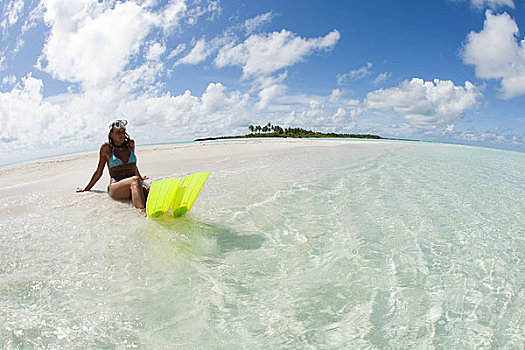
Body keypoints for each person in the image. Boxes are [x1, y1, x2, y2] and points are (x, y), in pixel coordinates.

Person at [77, 120, 148, 210]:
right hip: (116, 187)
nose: (121, 135)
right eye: (118, 132)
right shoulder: (106, 148)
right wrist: (86, 189)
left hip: (134, 184)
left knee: (146, 190)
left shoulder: (130, 144)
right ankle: (143, 213)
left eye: (123, 132)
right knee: (135, 180)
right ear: (111, 134)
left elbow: (133, 165)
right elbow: (99, 172)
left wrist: (141, 178)